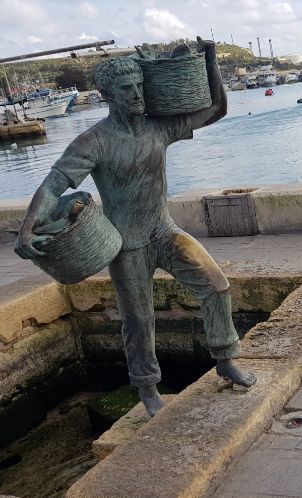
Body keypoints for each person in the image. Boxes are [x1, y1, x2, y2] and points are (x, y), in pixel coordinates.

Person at [15, 38, 256, 417]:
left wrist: (210, 60)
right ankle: (147, 389)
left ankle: (225, 358)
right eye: (127, 88)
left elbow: (215, 109)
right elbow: (53, 185)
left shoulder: (158, 128)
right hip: (126, 245)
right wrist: (28, 228)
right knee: (138, 320)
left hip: (164, 231)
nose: (137, 94)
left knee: (216, 285)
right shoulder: (93, 141)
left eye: (140, 86)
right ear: (109, 94)